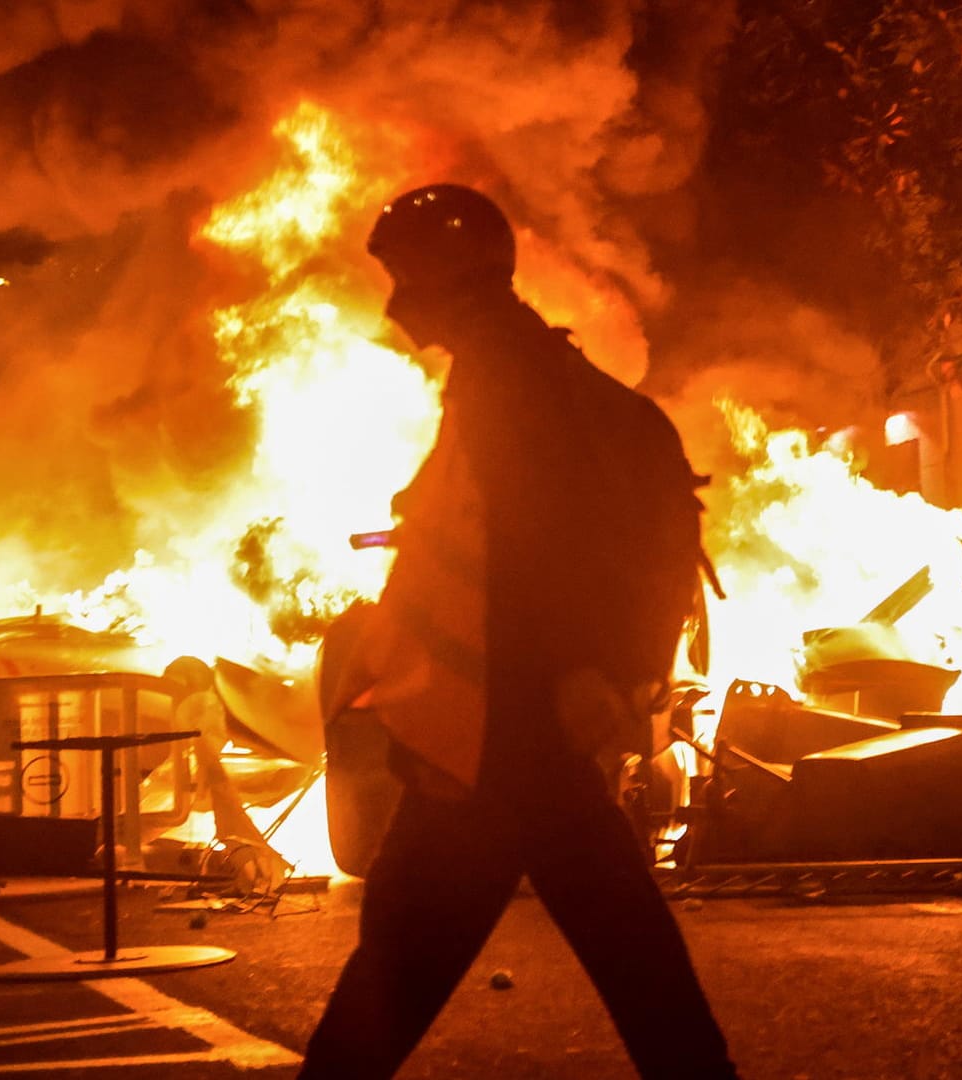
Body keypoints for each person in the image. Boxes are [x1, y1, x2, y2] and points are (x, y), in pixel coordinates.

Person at [300, 184, 736, 1079]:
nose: (394, 301)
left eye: (405, 276)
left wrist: (562, 674)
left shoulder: (511, 385)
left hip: (498, 745)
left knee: (401, 967)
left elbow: (531, 552)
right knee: (628, 955)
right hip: (515, 742)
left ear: (452, 276)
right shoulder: (519, 372)